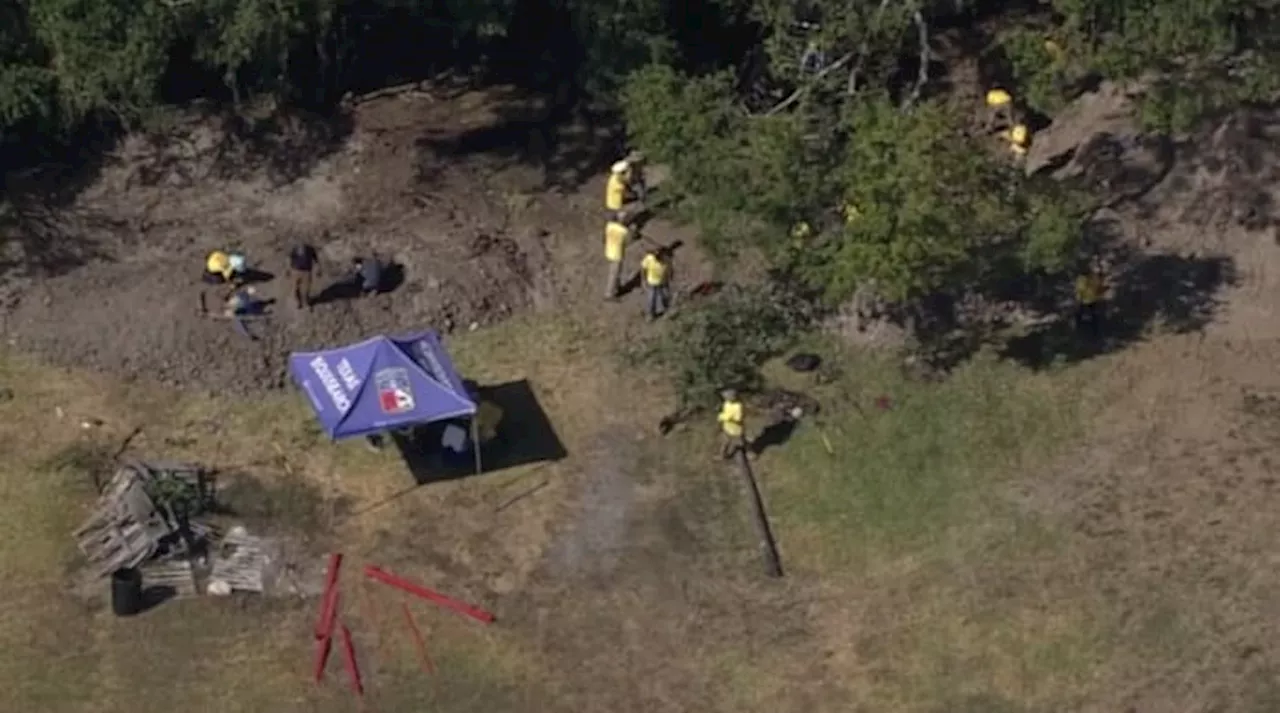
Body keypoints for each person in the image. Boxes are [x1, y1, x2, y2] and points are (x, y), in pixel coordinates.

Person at [639, 246, 672, 320]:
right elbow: (643, 268)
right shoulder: (649, 259)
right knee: (651, 299)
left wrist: (670, 277)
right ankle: (651, 315)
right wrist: (643, 280)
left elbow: (670, 269)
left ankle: (667, 311)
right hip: (652, 282)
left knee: (666, 296)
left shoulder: (667, 260)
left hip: (663, 282)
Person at [1074, 261, 1106, 337]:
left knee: (1079, 315)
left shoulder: (1081, 279)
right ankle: (1094, 331)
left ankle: (1081, 329)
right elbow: (1099, 285)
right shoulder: (1093, 276)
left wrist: (1077, 302)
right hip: (1094, 299)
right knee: (1094, 316)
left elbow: (1080, 292)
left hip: (1086, 301)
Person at [717, 388, 748, 460]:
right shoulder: (726, 404)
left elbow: (739, 419)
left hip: (736, 429)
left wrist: (728, 418)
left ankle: (750, 453)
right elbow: (725, 412)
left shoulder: (738, 406)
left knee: (743, 442)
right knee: (725, 442)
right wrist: (723, 417)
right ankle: (722, 455)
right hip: (727, 427)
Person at [604, 218, 630, 300]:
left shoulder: (610, 225)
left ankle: (616, 287)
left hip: (609, 251)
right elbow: (628, 241)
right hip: (617, 254)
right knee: (614, 274)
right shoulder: (624, 231)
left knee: (615, 272)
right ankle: (609, 294)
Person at [289, 242, 320, 309]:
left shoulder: (310, 249)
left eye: (302, 248)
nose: (301, 249)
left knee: (306, 289)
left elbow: (316, 259)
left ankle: (306, 302)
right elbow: (290, 259)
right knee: (295, 289)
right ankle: (298, 302)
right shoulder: (295, 249)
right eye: (300, 248)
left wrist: (318, 268)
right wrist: (289, 269)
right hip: (296, 271)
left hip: (306, 272)